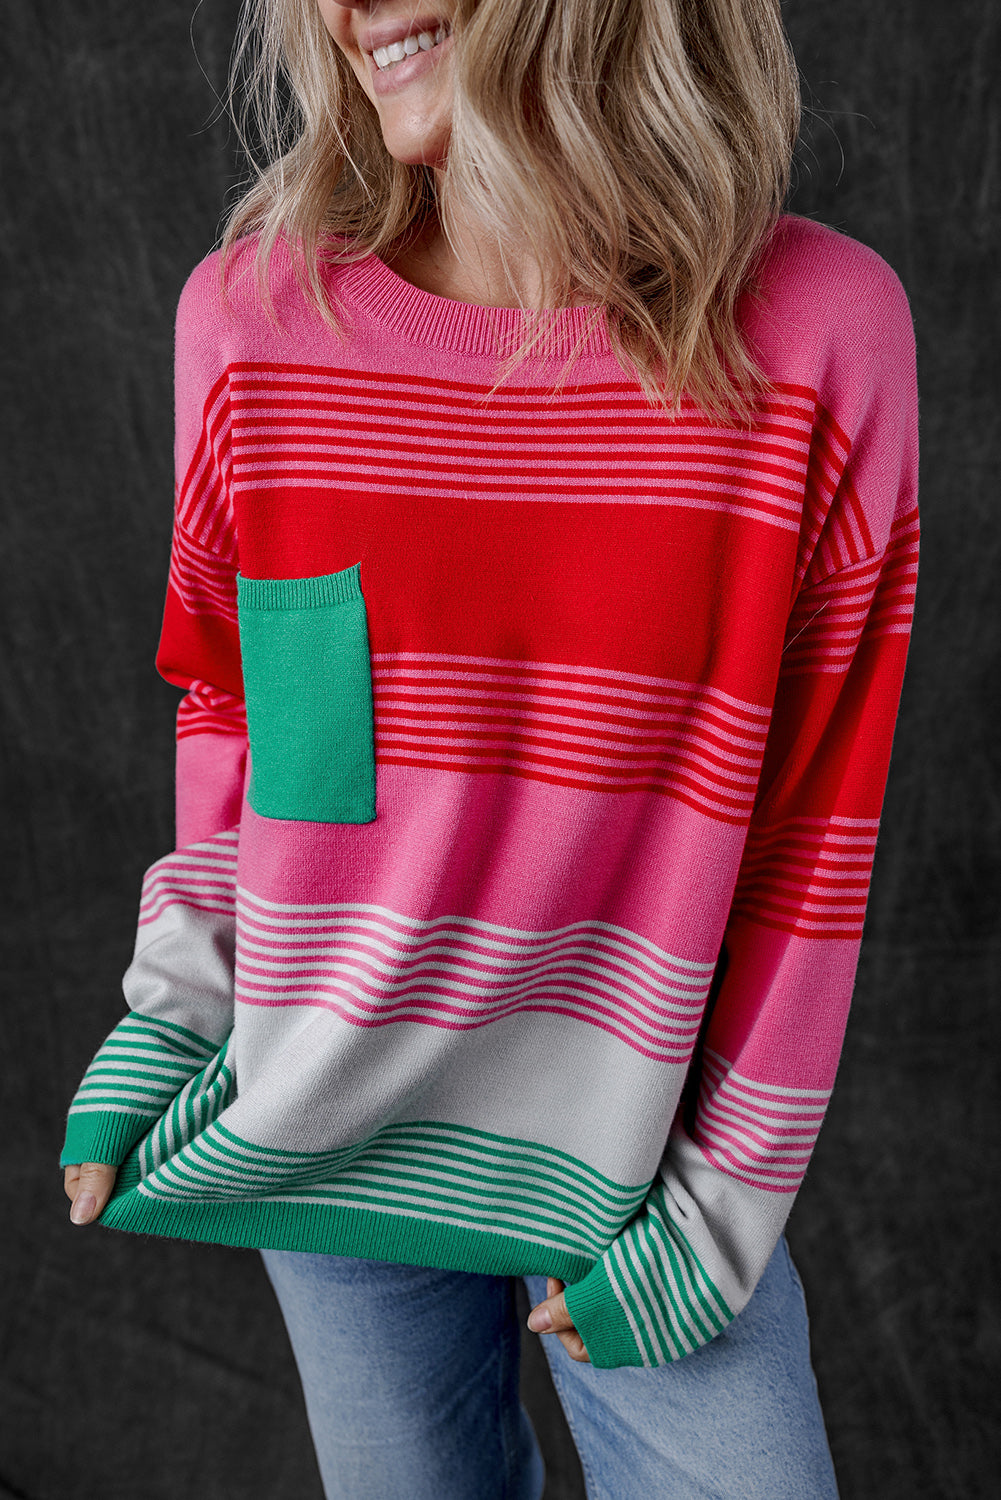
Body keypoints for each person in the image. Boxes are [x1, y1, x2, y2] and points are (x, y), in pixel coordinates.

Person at [60, 1, 919, 1495]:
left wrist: (717, 1210)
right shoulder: (253, 321)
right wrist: (176, 1014)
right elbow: (247, 725)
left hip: (640, 1179)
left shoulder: (815, 333)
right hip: (322, 1134)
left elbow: (814, 828)